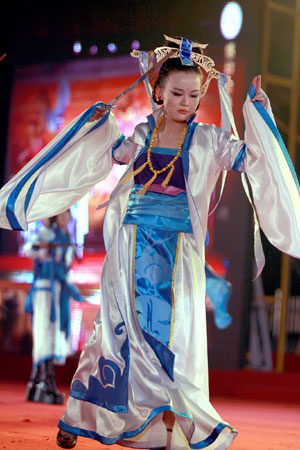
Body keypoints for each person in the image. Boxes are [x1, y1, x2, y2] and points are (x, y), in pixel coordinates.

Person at [0, 35, 300, 449]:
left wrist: (259, 115)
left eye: (194, 94)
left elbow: (250, 160)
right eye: (176, 92)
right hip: (130, 254)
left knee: (173, 344)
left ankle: (171, 431)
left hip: (177, 263)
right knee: (116, 336)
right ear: (158, 92)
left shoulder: (210, 140)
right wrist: (99, 127)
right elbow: (113, 154)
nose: (186, 101)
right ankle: (79, 418)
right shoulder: (142, 133)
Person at [24, 210, 84, 405]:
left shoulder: (66, 238)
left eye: (68, 214)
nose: (66, 217)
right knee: (45, 335)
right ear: (54, 216)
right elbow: (29, 248)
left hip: (60, 292)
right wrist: (43, 248)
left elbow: (66, 268)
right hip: (45, 290)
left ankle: (36, 384)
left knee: (52, 335)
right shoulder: (47, 233)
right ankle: (46, 383)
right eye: (62, 213)